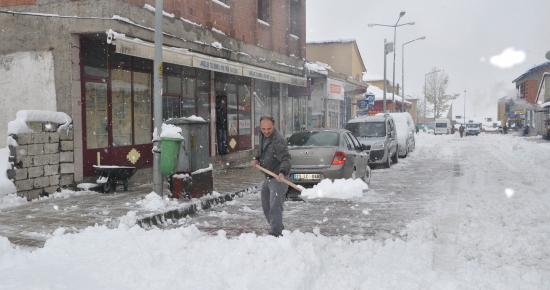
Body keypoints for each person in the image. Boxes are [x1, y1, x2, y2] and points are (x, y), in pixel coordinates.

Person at [250, 115, 291, 237]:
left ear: (274, 126)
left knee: (275, 207)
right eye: (263, 129)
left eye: (269, 129)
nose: (266, 131)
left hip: (278, 178)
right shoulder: (262, 134)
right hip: (268, 176)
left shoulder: (278, 141)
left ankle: (275, 234)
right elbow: (261, 150)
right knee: (266, 206)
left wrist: (282, 172)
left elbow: (286, 158)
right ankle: (278, 228)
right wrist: (257, 159)